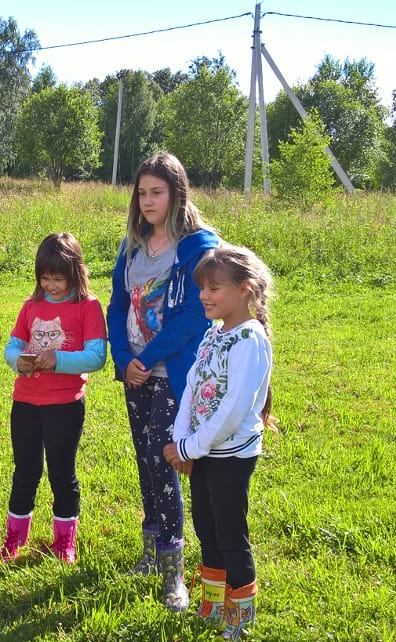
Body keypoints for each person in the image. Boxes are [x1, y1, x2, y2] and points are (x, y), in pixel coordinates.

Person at [106, 152, 221, 611]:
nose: (148, 201)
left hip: (174, 372)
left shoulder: (197, 247)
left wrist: (146, 357)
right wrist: (123, 358)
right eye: (142, 193)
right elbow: (116, 306)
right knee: (143, 457)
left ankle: (174, 571)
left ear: (177, 193)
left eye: (157, 192)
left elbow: (195, 315)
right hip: (134, 370)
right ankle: (150, 553)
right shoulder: (132, 245)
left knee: (164, 457)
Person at [163, 244, 275, 641]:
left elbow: (231, 409)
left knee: (230, 531)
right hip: (201, 449)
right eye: (202, 289)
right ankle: (211, 604)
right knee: (206, 526)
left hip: (230, 455)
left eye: (214, 289)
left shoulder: (250, 339)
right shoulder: (214, 332)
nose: (204, 296)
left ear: (245, 290)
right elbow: (193, 386)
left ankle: (240, 617)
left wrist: (190, 448)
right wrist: (181, 436)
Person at [0, 232, 106, 564]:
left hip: (65, 405)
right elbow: (13, 345)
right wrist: (17, 359)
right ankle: (14, 540)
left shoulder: (87, 308)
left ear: (76, 273)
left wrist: (57, 360)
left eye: (58, 278)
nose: (51, 285)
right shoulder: (30, 307)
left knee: (62, 473)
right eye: (45, 278)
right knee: (25, 471)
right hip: (26, 403)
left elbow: (96, 356)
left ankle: (65, 543)